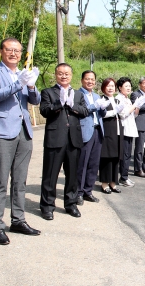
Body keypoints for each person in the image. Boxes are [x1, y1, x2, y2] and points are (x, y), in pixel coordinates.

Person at [0, 38, 41, 245]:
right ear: (1, 51)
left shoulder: (23, 73)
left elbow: (35, 101)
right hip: (2, 131)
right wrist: (20, 83)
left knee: (20, 180)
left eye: (17, 50)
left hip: (24, 131)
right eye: (9, 50)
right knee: (0, 180)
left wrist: (32, 86)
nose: (14, 53)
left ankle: (18, 219)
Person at [39, 63, 87, 220]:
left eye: (67, 73)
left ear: (71, 75)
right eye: (60, 73)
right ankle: (47, 206)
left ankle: (71, 203)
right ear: (56, 75)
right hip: (55, 138)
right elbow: (45, 111)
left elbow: (85, 111)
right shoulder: (47, 92)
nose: (64, 76)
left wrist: (72, 105)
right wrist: (59, 102)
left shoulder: (78, 94)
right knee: (50, 174)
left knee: (72, 175)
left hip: (74, 139)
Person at [76, 70, 107, 205]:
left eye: (92, 79)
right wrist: (94, 106)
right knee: (82, 163)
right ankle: (78, 192)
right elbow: (79, 111)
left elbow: (102, 113)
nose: (90, 81)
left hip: (97, 131)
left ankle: (88, 190)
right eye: (87, 79)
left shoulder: (96, 95)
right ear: (82, 80)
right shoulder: (77, 94)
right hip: (85, 132)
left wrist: (103, 107)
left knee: (94, 164)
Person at [99, 78, 124, 193]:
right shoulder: (102, 100)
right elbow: (102, 115)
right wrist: (114, 112)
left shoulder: (117, 101)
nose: (110, 88)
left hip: (118, 131)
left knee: (115, 158)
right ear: (104, 87)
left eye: (112, 86)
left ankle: (113, 182)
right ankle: (104, 183)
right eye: (108, 86)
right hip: (108, 132)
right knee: (106, 158)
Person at [116, 77, 139, 187]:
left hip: (130, 129)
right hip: (123, 130)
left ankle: (125, 176)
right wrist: (134, 106)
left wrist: (136, 108)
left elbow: (133, 115)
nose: (129, 88)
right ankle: (123, 177)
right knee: (124, 155)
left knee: (128, 154)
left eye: (129, 86)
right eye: (126, 86)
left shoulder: (128, 99)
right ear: (120, 87)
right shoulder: (118, 99)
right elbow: (123, 114)